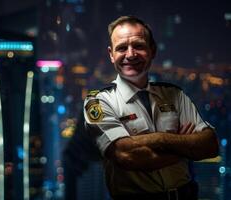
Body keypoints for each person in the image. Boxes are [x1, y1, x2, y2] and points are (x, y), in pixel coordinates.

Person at [83, 15, 219, 200]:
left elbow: (210, 146)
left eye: (138, 45)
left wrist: (158, 141)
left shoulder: (174, 95)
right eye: (122, 48)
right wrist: (182, 146)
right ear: (111, 54)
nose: (130, 54)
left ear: (152, 50)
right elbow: (127, 156)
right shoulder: (99, 102)